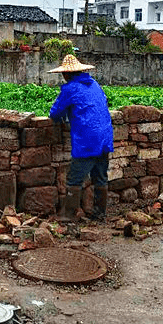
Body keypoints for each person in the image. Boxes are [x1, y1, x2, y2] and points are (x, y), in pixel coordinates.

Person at [48, 54, 114, 222]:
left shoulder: (70, 89)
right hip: (104, 137)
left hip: (87, 140)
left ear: (67, 74)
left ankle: (68, 215)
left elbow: (55, 113)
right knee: (100, 177)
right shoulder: (94, 85)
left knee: (74, 178)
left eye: (64, 74)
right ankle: (100, 214)